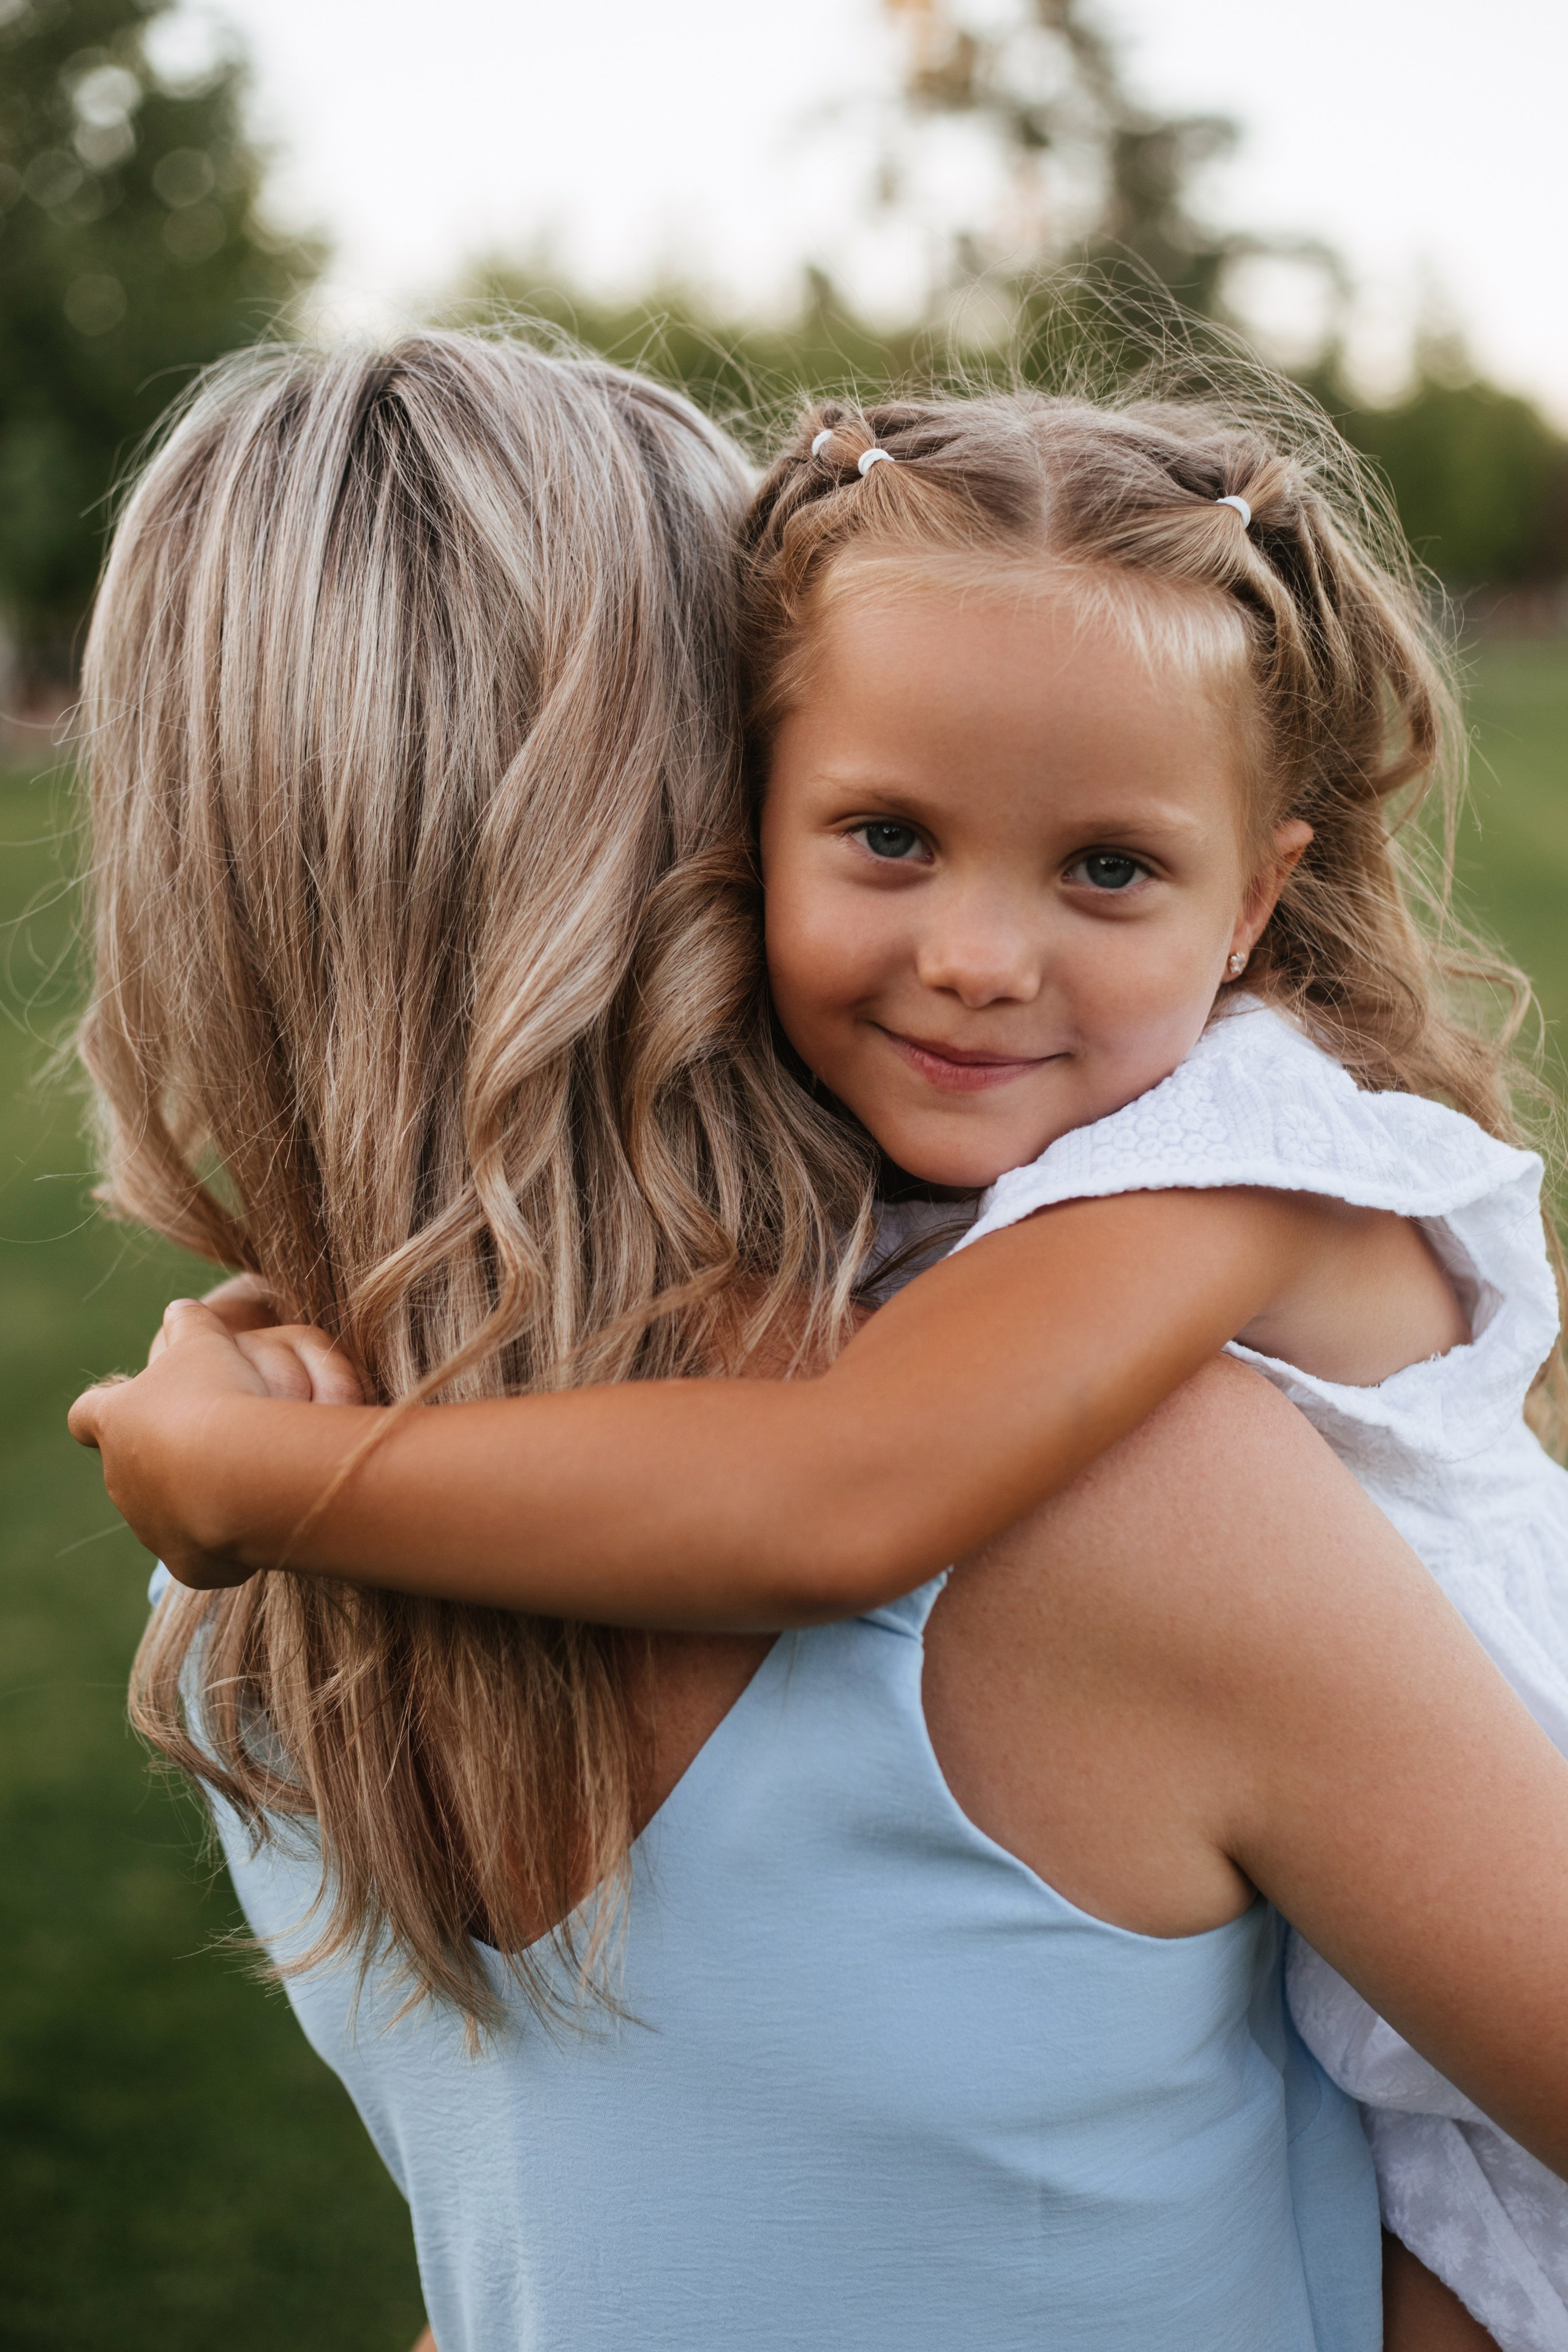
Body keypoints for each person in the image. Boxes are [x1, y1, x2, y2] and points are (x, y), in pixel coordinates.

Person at [70, 356, 1568, 2348]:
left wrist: (256, 1493)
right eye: (883, 831)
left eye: (1105, 866)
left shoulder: (265, 1614)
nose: (973, 953)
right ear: (718, 811)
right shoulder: (484, 1530)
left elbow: (842, 1497)